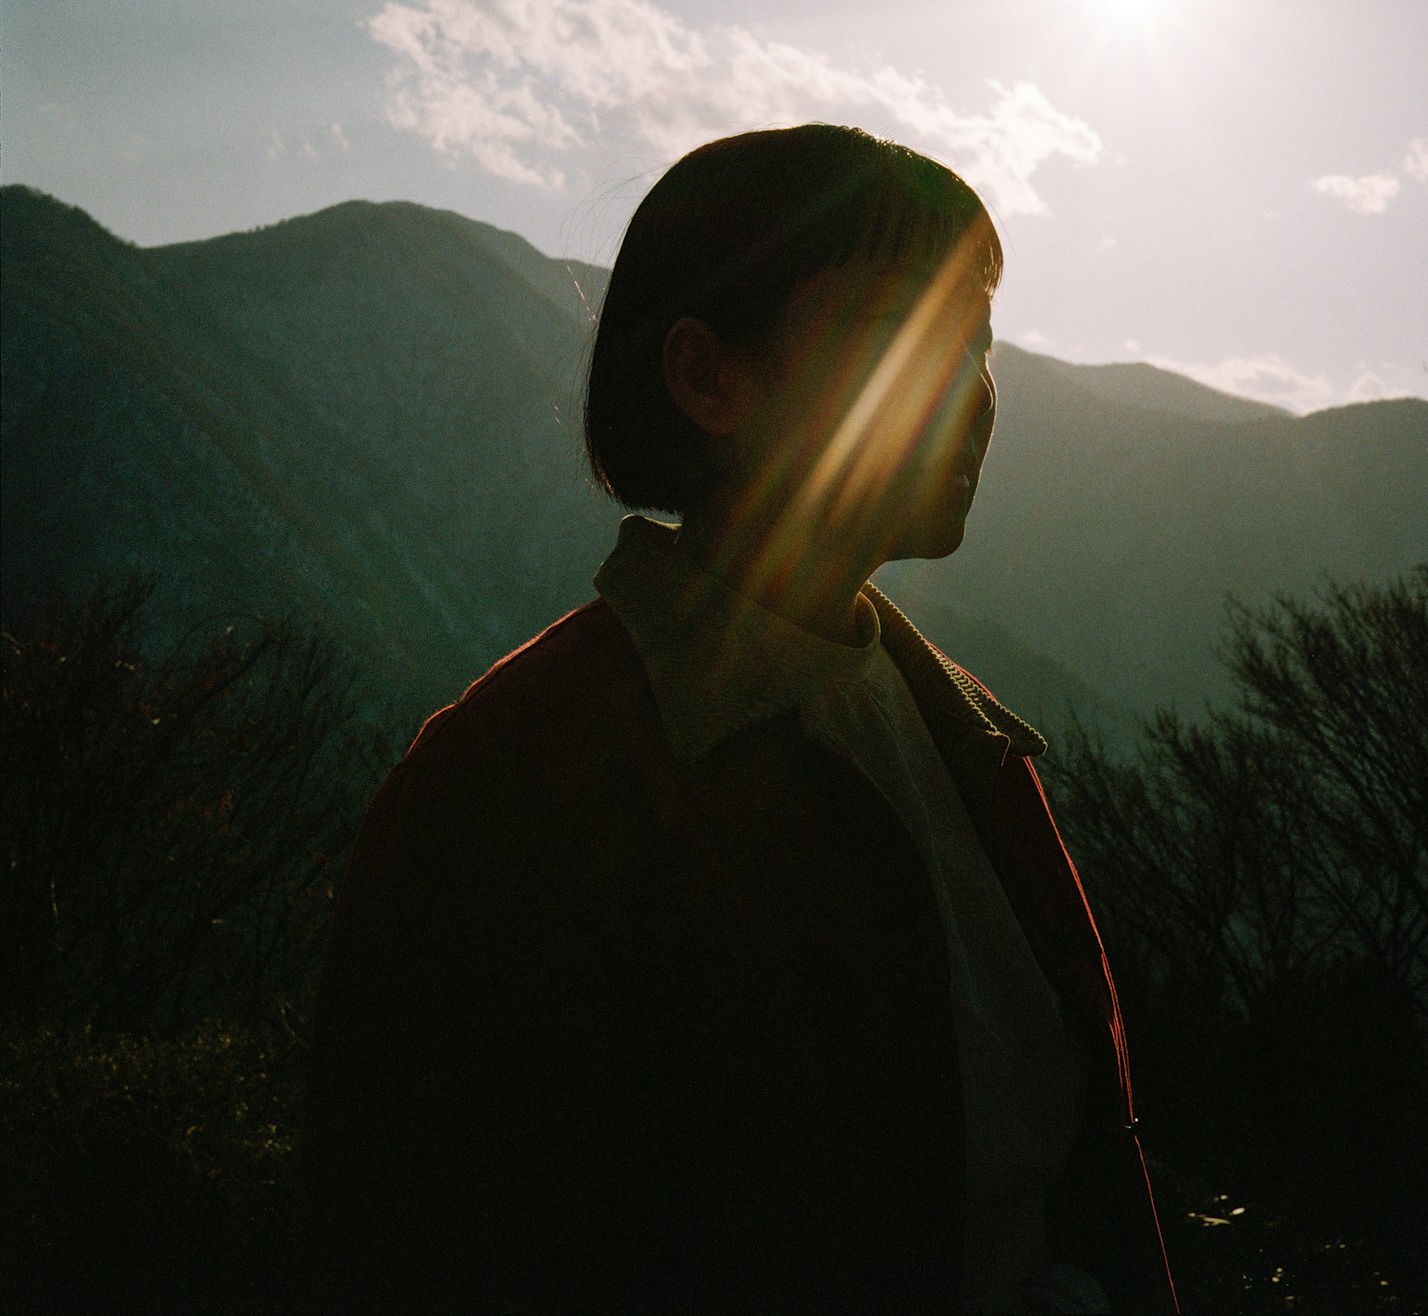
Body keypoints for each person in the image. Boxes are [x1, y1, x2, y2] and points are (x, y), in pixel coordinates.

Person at [298, 125, 1179, 1315]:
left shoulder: (970, 745)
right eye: (898, 334)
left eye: (974, 339)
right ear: (709, 378)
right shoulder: (516, 778)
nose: (968, 393)